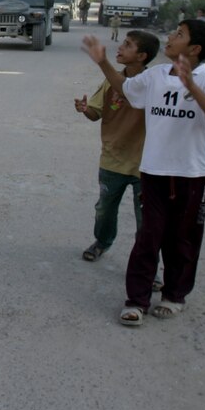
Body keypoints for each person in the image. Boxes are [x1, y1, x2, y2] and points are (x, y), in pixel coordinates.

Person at [82, 20, 205, 326]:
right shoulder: (154, 76)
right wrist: (102, 63)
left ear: (194, 49)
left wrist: (191, 85)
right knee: (148, 236)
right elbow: (124, 88)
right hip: (153, 172)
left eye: (179, 35)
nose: (170, 37)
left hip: (192, 175)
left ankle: (173, 296)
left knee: (183, 239)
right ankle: (136, 300)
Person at [75, 30, 160, 263]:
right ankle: (102, 242)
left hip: (146, 165)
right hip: (113, 159)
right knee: (104, 210)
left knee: (146, 219)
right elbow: (95, 113)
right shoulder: (110, 82)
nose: (120, 48)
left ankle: (146, 263)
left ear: (142, 56)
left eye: (128, 45)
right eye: (122, 43)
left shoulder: (154, 84)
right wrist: (85, 109)